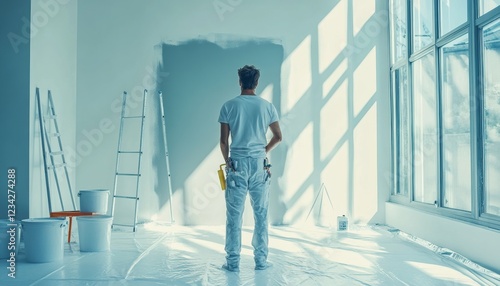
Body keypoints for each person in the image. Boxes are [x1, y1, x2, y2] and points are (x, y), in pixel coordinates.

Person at [218, 65, 282, 271]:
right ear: (256, 83)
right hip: (259, 165)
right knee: (261, 214)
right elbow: (278, 137)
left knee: (234, 216)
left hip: (236, 164)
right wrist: (263, 150)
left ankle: (233, 263)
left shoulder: (229, 106)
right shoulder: (267, 106)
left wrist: (227, 160)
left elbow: (223, 141)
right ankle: (261, 261)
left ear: (240, 82)